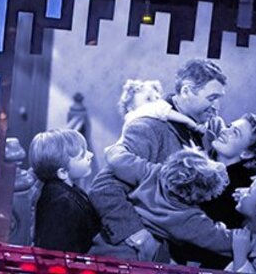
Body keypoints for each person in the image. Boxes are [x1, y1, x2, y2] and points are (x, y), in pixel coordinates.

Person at [89, 59, 228, 260]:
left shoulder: (206, 134)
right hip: (130, 258)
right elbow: (103, 187)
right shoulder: (148, 126)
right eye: (212, 97)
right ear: (187, 90)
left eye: (219, 99)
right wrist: (136, 235)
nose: (217, 106)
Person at [29, 128, 101, 253]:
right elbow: (58, 251)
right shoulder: (61, 202)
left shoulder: (67, 190)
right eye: (82, 155)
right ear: (62, 172)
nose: (91, 155)